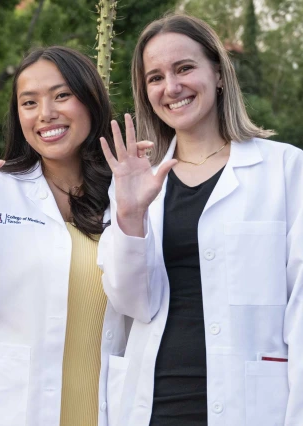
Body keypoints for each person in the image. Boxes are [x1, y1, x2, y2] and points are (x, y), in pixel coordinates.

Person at [0, 46, 152, 426]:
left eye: (62, 95)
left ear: (91, 102)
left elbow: (141, 303)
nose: (45, 114)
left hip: (98, 411)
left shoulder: (126, 193)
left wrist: (131, 213)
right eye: (29, 102)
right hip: (0, 412)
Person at [98, 13, 303, 426]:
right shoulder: (136, 182)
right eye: (155, 77)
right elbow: (130, 302)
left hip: (253, 405)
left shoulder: (285, 170)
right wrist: (130, 216)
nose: (171, 87)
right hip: (155, 404)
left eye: (185, 68)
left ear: (218, 73)